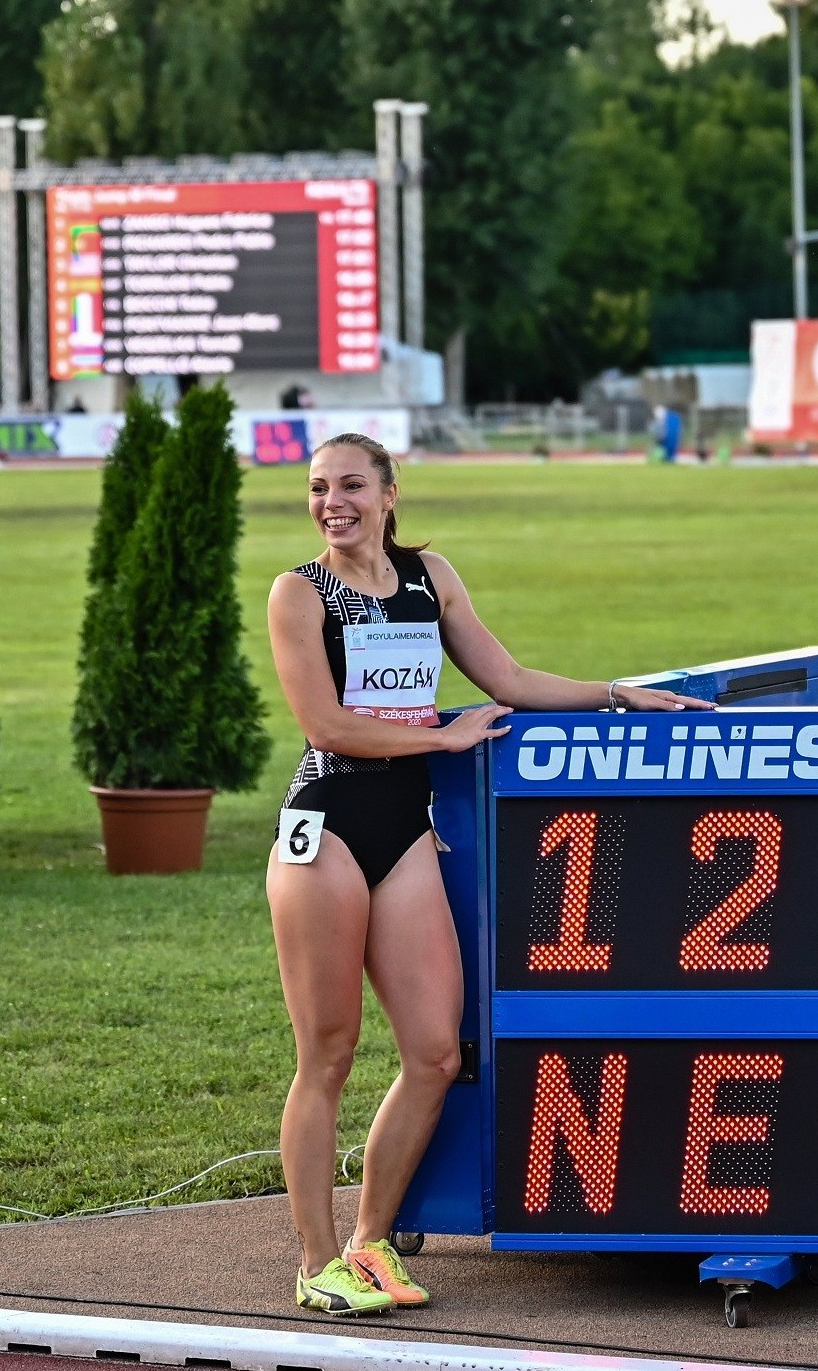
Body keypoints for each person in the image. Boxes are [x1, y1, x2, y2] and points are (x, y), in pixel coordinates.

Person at [264, 433, 710, 1315]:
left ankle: (370, 1242)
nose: (332, 502)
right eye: (319, 489)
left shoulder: (429, 576)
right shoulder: (297, 592)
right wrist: (442, 737)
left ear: (391, 492)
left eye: (351, 485)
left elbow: (505, 675)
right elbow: (326, 725)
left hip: (403, 831)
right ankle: (316, 1263)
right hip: (329, 828)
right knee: (328, 1052)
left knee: (436, 1051)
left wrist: (617, 693)